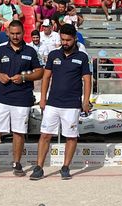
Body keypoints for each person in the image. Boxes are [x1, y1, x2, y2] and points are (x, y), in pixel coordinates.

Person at [0, 20, 44, 178]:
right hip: (1, 98)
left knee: (19, 132)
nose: (15, 36)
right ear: (7, 33)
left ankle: (16, 163)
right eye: (12, 33)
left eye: (18, 33)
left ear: (23, 33)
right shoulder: (0, 50)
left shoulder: (31, 51)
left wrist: (24, 77)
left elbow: (39, 72)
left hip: (22, 98)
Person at [30, 23, 92, 181]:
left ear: (74, 39)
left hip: (72, 105)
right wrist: (42, 98)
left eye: (68, 40)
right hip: (52, 103)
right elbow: (46, 77)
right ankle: (39, 168)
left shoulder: (82, 57)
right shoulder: (53, 55)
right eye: (63, 39)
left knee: (71, 137)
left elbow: (87, 80)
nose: (65, 43)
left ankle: (65, 167)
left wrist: (86, 101)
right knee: (45, 135)